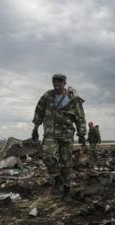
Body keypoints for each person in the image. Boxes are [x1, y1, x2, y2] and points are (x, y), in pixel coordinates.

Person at [32, 73, 87, 202]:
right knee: (47, 155)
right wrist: (35, 128)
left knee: (66, 163)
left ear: (64, 84)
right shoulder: (47, 96)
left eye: (59, 84)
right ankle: (57, 179)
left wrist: (82, 135)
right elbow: (39, 111)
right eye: (54, 84)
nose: (57, 87)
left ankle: (66, 191)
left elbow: (80, 117)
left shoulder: (73, 98)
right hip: (50, 133)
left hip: (67, 134)